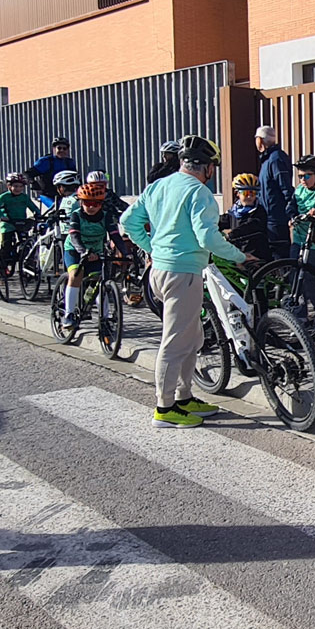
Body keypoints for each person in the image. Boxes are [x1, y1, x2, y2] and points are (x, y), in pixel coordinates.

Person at [120, 135, 250, 428]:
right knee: (177, 340)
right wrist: (238, 255)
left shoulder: (158, 186)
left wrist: (151, 247)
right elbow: (207, 237)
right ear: (210, 168)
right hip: (184, 273)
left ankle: (183, 396)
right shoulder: (199, 193)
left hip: (160, 272)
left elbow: (127, 221)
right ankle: (164, 408)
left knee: (193, 337)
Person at [56, 180, 121, 331]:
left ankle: (104, 318)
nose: (91, 207)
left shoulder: (106, 216)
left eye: (96, 203)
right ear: (81, 203)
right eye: (87, 203)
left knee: (100, 283)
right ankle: (69, 314)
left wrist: (126, 253)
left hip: (96, 252)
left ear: (101, 203)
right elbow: (74, 237)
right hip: (75, 250)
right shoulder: (76, 215)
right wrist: (83, 252)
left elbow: (115, 236)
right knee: (75, 276)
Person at [255, 124, 294, 258]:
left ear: (260, 140)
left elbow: (285, 187)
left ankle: (284, 278)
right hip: (269, 215)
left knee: (280, 253)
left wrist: (290, 211)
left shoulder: (276, 159)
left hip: (277, 217)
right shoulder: (268, 159)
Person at [0, 171, 43, 272]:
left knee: (26, 244)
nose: (18, 189)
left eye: (21, 186)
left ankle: (26, 265)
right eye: (15, 186)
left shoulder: (24, 197)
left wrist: (38, 214)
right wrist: (2, 216)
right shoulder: (4, 197)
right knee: (6, 245)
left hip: (21, 223)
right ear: (9, 186)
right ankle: (4, 267)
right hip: (8, 224)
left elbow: (33, 207)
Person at [220, 172, 268, 259]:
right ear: (237, 193)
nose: (249, 196)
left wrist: (232, 235)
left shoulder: (259, 211)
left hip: (255, 254)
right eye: (246, 193)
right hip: (237, 252)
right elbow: (222, 221)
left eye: (253, 193)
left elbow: (251, 226)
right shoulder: (234, 211)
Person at [28, 137, 77, 202]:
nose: (62, 150)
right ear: (54, 149)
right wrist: (34, 183)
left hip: (66, 194)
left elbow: (76, 177)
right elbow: (27, 174)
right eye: (59, 148)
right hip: (48, 195)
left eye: (64, 148)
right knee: (58, 209)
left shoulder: (69, 162)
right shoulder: (46, 161)